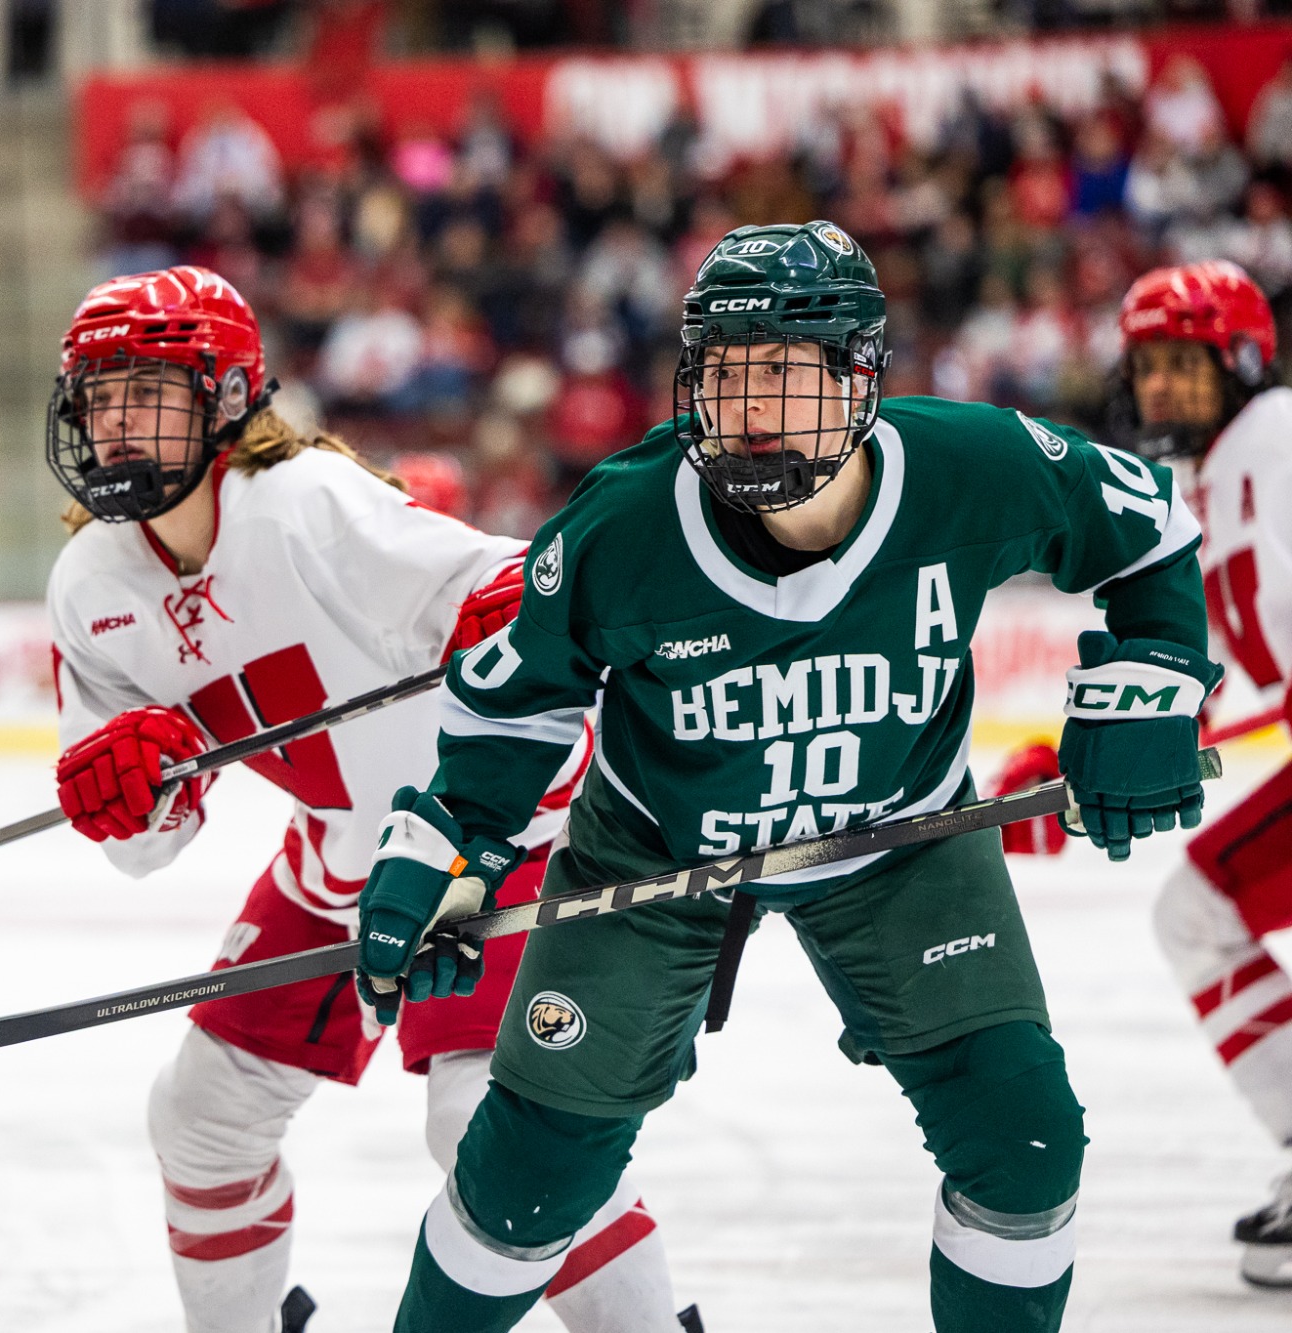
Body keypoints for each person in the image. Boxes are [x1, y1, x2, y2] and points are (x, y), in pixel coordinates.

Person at [355, 221, 1217, 1333]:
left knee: (1022, 1141)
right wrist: (451, 845)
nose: (744, 404)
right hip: (656, 852)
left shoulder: (970, 470)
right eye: (722, 370)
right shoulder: (624, 523)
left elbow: (1147, 529)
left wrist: (1152, 672)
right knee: (529, 1178)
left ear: (858, 376)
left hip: (897, 843)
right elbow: (511, 697)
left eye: (778, 369)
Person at [44, 266, 694, 1333]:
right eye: (99, 397)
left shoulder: (306, 507)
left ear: (223, 397)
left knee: (486, 1124)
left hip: (498, 839)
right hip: (341, 857)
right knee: (202, 1119)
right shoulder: (90, 586)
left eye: (145, 391)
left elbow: (519, 599)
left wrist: (507, 615)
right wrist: (142, 787)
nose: (115, 422)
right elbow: (141, 846)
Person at [1119, 260, 1292, 1288]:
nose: (1161, 388)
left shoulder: (1272, 437)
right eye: (1146, 367)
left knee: (1193, 910)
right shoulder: (1222, 464)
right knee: (1194, 910)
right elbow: (1221, 668)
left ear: (1236, 359)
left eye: (1182, 364)